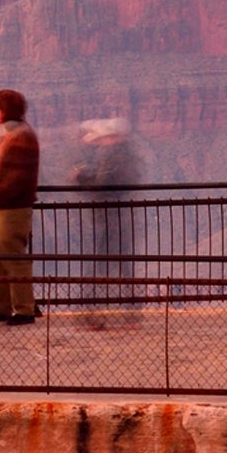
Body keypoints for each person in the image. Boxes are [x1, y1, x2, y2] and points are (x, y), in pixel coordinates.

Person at [0, 89, 40, 325]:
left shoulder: (20, 135)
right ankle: (0, 307)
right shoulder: (9, 133)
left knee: (13, 258)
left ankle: (24, 309)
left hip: (13, 207)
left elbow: (17, 178)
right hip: (2, 206)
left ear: (8, 109)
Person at [73, 117, 142, 327]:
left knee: (99, 264)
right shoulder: (128, 154)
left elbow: (101, 183)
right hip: (120, 216)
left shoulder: (110, 155)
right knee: (122, 263)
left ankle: (94, 312)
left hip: (107, 216)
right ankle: (130, 312)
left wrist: (81, 178)